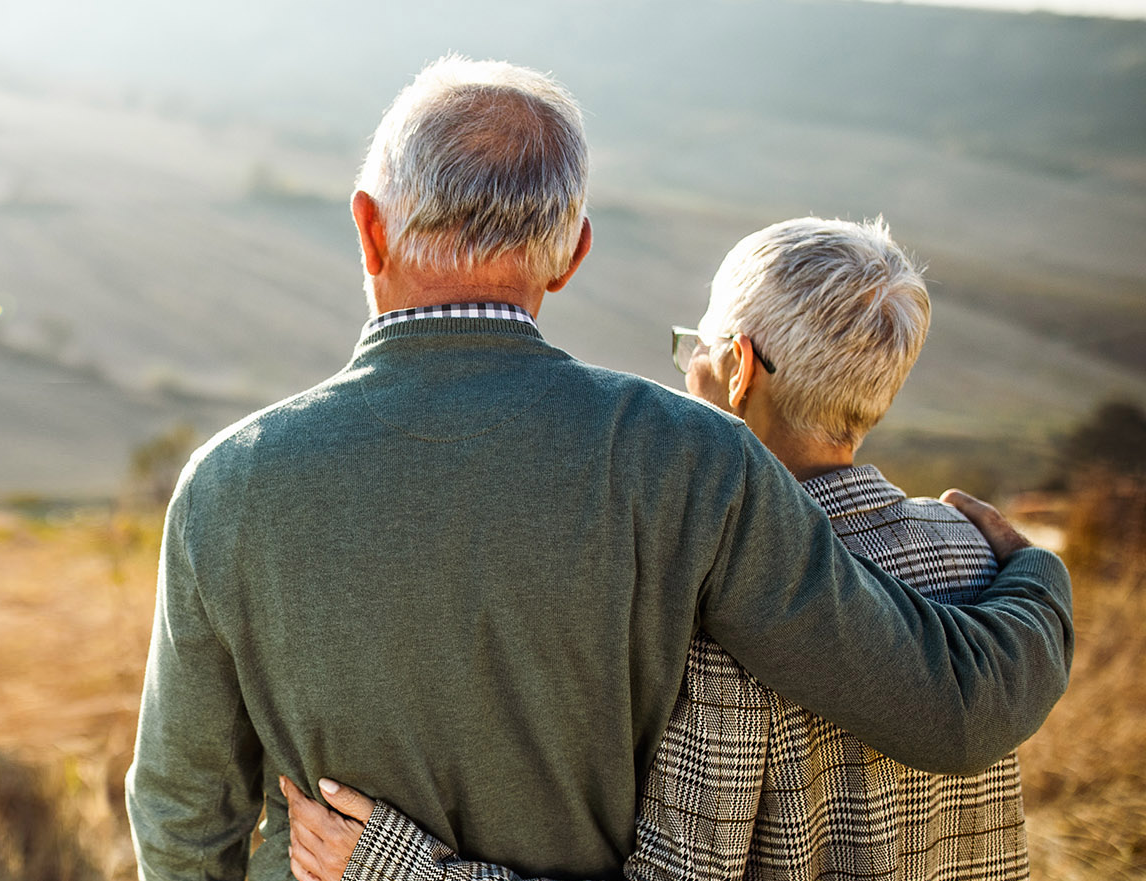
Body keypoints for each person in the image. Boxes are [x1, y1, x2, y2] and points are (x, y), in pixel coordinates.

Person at [123, 57, 1072, 881]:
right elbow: (941, 705)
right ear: (570, 255)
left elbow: (182, 811)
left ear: (369, 230)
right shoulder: (692, 458)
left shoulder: (226, 484)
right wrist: (1033, 576)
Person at [283, 218, 1039, 881]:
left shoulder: (722, 601)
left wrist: (396, 868)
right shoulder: (976, 554)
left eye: (696, 350)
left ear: (739, 370)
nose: (685, 371)